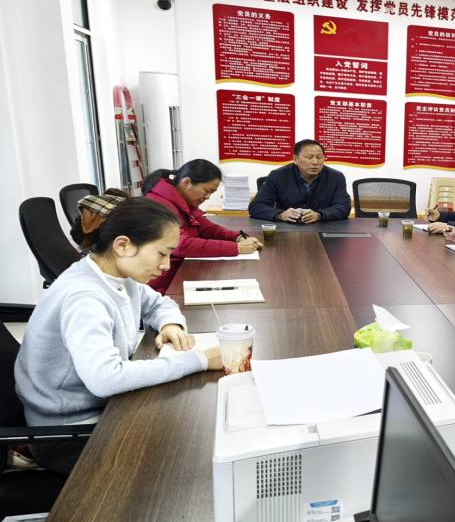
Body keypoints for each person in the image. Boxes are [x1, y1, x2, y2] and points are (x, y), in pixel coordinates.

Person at [14, 198, 224, 474]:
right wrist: (199, 360)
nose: (166, 265)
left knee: (194, 425)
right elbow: (105, 378)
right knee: (189, 454)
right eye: (162, 254)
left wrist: (170, 324)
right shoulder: (85, 298)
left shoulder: (115, 273)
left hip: (102, 411)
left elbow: (158, 304)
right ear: (123, 245)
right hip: (68, 434)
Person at [143, 159, 262, 294]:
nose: (208, 197)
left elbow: (206, 227)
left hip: (181, 270)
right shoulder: (159, 205)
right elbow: (181, 245)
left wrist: (238, 237)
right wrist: (236, 248)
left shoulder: (182, 202)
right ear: (186, 182)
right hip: (163, 283)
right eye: (207, 191)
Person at [249, 139, 351, 223]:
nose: (315, 162)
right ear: (295, 159)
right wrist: (281, 215)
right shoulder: (278, 175)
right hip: (286, 229)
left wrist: (319, 215)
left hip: (323, 227)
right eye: (309, 157)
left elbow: (343, 207)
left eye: (319, 157)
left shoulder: (336, 177)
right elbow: (256, 206)